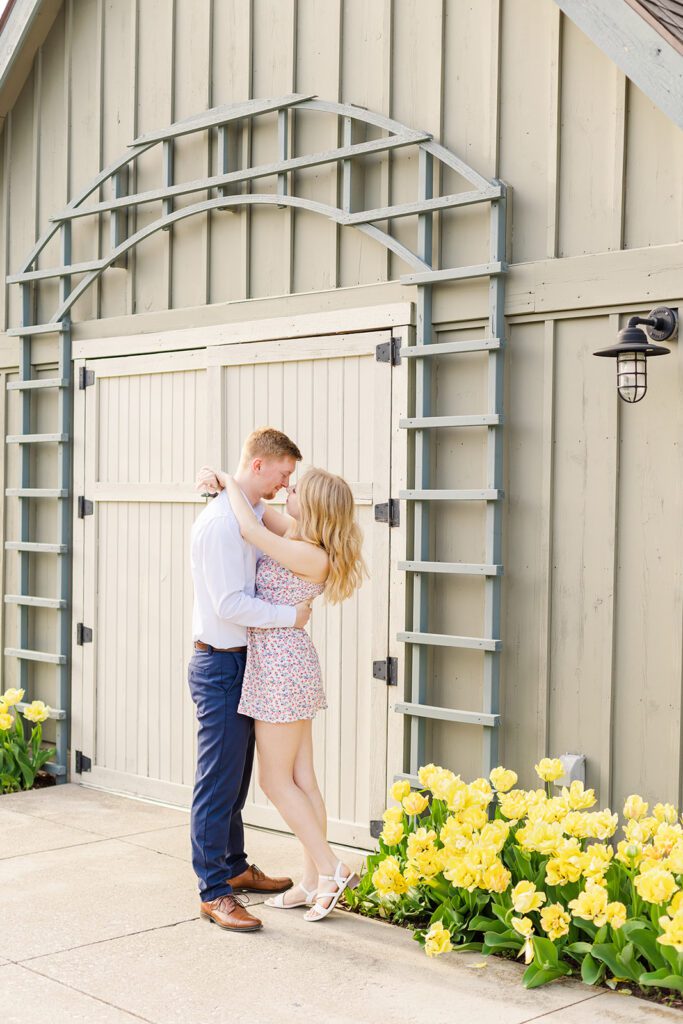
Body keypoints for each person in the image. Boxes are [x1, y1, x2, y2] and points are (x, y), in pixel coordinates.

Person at [195, 458, 368, 922]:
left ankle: (332, 870)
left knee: (275, 780)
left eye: (294, 490)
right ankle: (312, 882)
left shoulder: (311, 553)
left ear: (310, 507)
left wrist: (229, 479)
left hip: (280, 665)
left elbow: (251, 530)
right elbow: (252, 511)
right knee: (303, 779)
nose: (285, 491)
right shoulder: (298, 535)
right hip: (285, 661)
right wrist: (226, 484)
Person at [188, 427, 314, 934]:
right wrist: (291, 617)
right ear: (259, 465)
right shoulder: (221, 525)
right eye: (283, 474)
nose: (287, 486)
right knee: (217, 781)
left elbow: (277, 528)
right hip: (219, 664)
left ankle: (235, 866)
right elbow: (228, 604)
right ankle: (213, 890)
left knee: (237, 777)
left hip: (243, 661)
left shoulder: (248, 510)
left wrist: (222, 480)